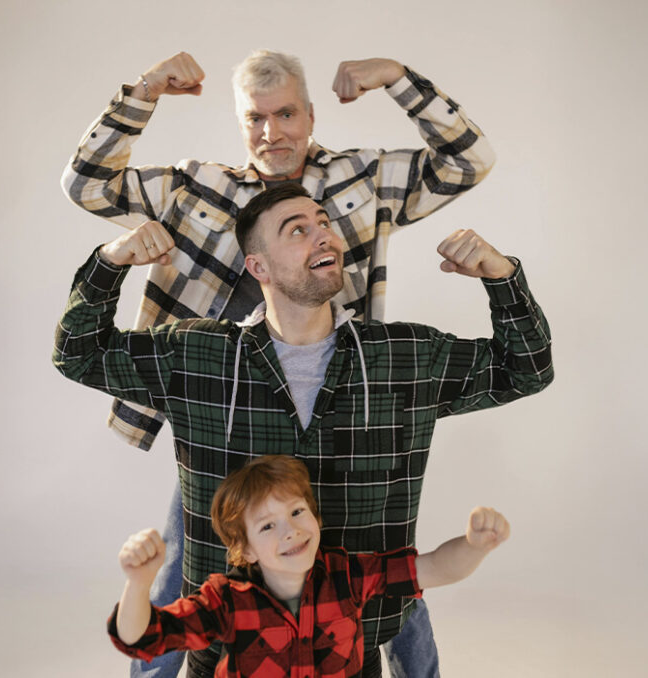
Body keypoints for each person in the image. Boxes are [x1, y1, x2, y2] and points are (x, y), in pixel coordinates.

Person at [61, 49, 496, 678]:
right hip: (224, 416)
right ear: (240, 124)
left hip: (339, 412)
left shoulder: (357, 183)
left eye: (286, 113)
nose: (272, 132)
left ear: (311, 115)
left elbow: (469, 161)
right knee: (191, 561)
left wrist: (397, 80)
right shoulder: (197, 190)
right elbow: (87, 183)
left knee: (379, 567)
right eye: (255, 119)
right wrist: (147, 90)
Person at [109, 455, 510, 677]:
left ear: (316, 519)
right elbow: (143, 638)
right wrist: (139, 582)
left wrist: (474, 546)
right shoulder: (228, 601)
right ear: (245, 550)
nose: (291, 531)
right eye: (267, 525)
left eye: (298, 511)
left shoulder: (348, 576)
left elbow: (435, 569)